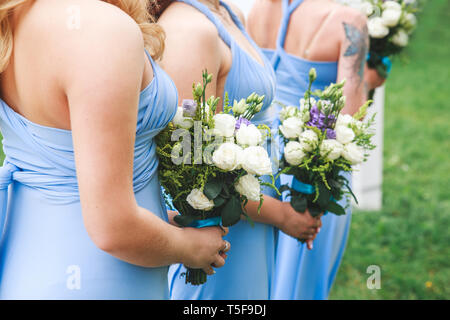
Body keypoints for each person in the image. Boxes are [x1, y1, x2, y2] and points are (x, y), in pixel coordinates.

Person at [0, 0, 230, 299]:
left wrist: (163, 223)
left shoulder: (14, 19)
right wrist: (191, 248)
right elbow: (113, 226)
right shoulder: (101, 29)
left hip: (27, 262)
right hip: (101, 277)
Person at [153, 0, 322, 299]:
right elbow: (192, 169)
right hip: (222, 230)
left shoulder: (228, 12)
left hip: (253, 220)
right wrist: (282, 216)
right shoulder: (189, 31)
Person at [248, 0, 371, 299]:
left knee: (257, 272)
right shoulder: (349, 21)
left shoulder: (259, 10)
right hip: (312, 161)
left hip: (258, 157)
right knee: (303, 279)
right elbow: (351, 116)